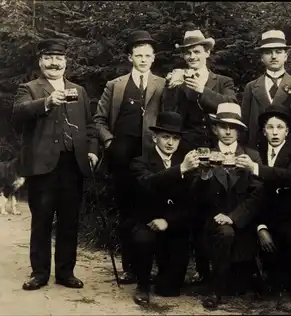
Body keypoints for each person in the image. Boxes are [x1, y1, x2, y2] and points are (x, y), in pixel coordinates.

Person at [13, 38, 99, 290]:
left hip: (73, 164)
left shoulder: (79, 91)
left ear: (66, 62)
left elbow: (91, 126)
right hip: (42, 166)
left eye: (59, 58)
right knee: (41, 219)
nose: (54, 63)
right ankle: (39, 273)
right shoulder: (28, 88)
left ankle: (65, 272)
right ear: (40, 62)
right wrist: (48, 102)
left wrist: (92, 151)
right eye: (49, 58)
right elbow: (19, 113)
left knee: (69, 220)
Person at [162, 29, 237, 284]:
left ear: (207, 52)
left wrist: (202, 89)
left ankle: (217, 273)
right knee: (190, 209)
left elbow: (231, 108)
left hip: (219, 151)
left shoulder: (222, 81)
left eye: (197, 51)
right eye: (188, 52)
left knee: (216, 209)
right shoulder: (176, 81)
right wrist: (173, 86)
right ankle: (193, 269)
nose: (192, 56)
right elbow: (169, 116)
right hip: (189, 152)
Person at [93, 30, 167, 284]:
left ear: (154, 57)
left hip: (152, 158)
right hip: (122, 158)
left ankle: (153, 267)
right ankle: (129, 268)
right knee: (126, 213)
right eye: (138, 55)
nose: (143, 59)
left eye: (148, 55)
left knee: (152, 209)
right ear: (130, 57)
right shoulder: (115, 86)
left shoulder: (164, 84)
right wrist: (110, 141)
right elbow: (99, 120)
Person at [192, 102, 266, 309]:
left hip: (242, 220)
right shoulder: (203, 154)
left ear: (240, 131)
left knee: (243, 285)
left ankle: (245, 276)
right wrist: (205, 176)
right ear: (214, 128)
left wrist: (233, 216)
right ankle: (216, 290)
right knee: (224, 233)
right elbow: (195, 197)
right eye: (223, 126)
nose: (227, 131)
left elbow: (258, 193)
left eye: (232, 127)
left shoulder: (251, 156)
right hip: (212, 221)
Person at [129, 111, 200, 305]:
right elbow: (148, 184)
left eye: (175, 138)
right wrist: (181, 170)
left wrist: (168, 221)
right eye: (165, 137)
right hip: (147, 221)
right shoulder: (140, 161)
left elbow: (190, 204)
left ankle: (164, 276)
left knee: (169, 290)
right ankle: (142, 284)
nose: (170, 142)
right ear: (155, 138)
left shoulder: (185, 163)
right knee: (143, 239)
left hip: (173, 225)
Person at [251, 105, 291, 299]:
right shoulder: (256, 154)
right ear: (263, 131)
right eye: (270, 127)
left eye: (280, 127)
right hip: (266, 217)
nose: (275, 132)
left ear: (287, 131)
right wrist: (261, 227)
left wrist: (257, 169)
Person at [241, 30, 291, 150]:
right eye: (268, 53)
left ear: (285, 56)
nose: (274, 56)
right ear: (262, 58)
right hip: (257, 153)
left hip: (289, 153)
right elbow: (245, 125)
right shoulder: (251, 87)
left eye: (278, 52)